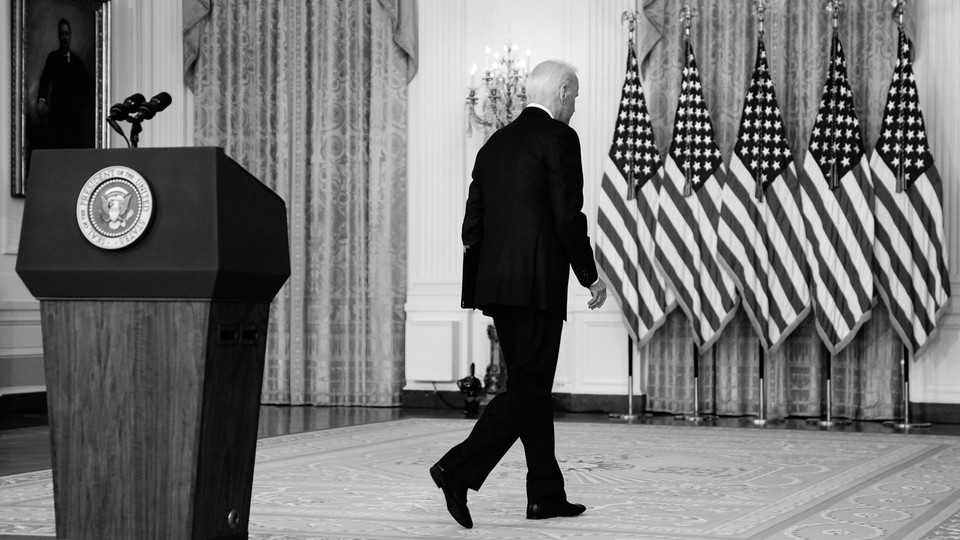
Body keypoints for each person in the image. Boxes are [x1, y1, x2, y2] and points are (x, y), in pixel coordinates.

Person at [430, 59, 607, 529]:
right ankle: (457, 468)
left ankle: (545, 494)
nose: (576, 105)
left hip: (497, 287)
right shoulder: (559, 139)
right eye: (576, 95)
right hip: (536, 285)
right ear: (564, 92)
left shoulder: (493, 144)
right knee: (529, 389)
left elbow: (472, 227)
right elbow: (568, 217)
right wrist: (590, 275)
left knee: (530, 388)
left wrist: (485, 280)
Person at [36, 18, 90, 149]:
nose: (64, 37)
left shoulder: (77, 61)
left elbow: (86, 85)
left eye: (66, 34)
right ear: (59, 36)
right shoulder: (53, 58)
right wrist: (42, 100)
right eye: (62, 34)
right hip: (57, 115)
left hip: (73, 116)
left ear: (70, 35)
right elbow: (45, 80)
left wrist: (79, 104)